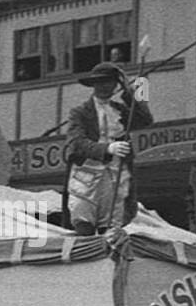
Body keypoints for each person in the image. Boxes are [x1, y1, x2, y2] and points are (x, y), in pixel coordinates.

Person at [64, 62, 153, 235]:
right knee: (83, 217)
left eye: (109, 82)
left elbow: (145, 119)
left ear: (115, 85)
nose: (105, 86)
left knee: (112, 222)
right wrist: (107, 148)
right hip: (87, 174)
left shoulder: (120, 111)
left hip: (116, 173)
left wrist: (130, 92)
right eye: (100, 82)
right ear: (93, 85)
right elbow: (76, 143)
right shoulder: (80, 112)